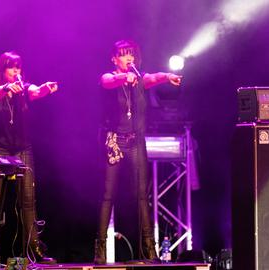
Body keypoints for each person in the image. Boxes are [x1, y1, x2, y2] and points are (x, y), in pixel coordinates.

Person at [94, 40, 182, 264]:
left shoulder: (140, 79)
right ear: (114, 59)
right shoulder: (111, 78)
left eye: (131, 54)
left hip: (136, 143)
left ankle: (149, 250)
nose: (128, 57)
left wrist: (167, 76)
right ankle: (100, 249)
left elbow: (154, 77)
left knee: (142, 197)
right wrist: (124, 77)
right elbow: (107, 81)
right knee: (108, 196)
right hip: (115, 142)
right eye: (123, 54)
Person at [0, 51, 58, 264]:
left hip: (22, 148)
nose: (16, 71)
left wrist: (44, 89)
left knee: (28, 201)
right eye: (11, 67)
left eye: (18, 67)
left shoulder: (23, 87)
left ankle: (34, 249)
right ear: (2, 70)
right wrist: (5, 88)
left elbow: (34, 91)